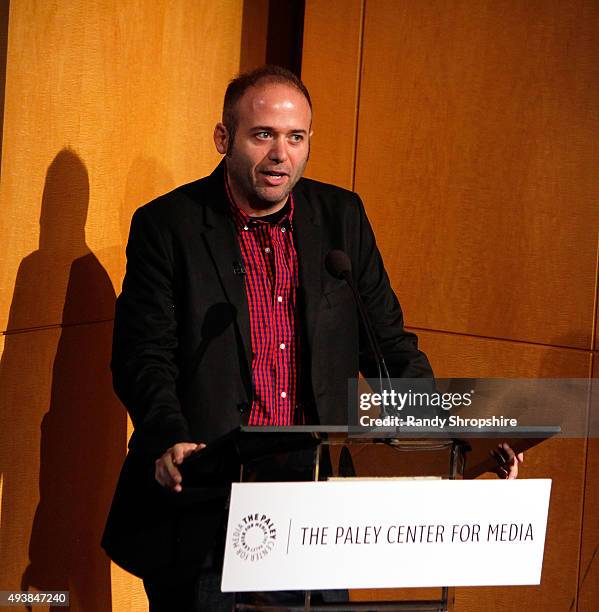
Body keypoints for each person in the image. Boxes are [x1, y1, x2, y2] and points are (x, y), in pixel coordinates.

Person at [102, 65, 523, 611]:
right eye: (264, 135)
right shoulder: (167, 225)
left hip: (315, 507)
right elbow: (144, 356)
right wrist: (168, 437)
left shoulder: (341, 217)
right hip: (207, 501)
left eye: (296, 138)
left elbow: (389, 346)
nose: (282, 154)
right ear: (224, 139)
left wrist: (450, 442)